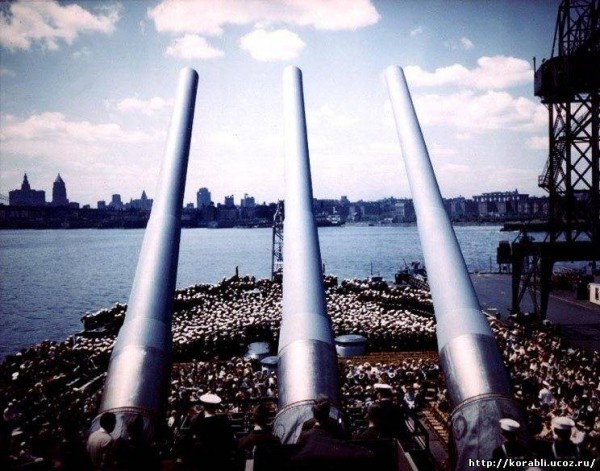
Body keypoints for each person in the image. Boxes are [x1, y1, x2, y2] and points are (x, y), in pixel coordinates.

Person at [189, 393, 235, 471]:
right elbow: (230, 440)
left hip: (203, 458)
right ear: (216, 406)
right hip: (220, 458)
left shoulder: (198, 420)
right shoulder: (223, 422)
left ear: (203, 405)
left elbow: (193, 438)